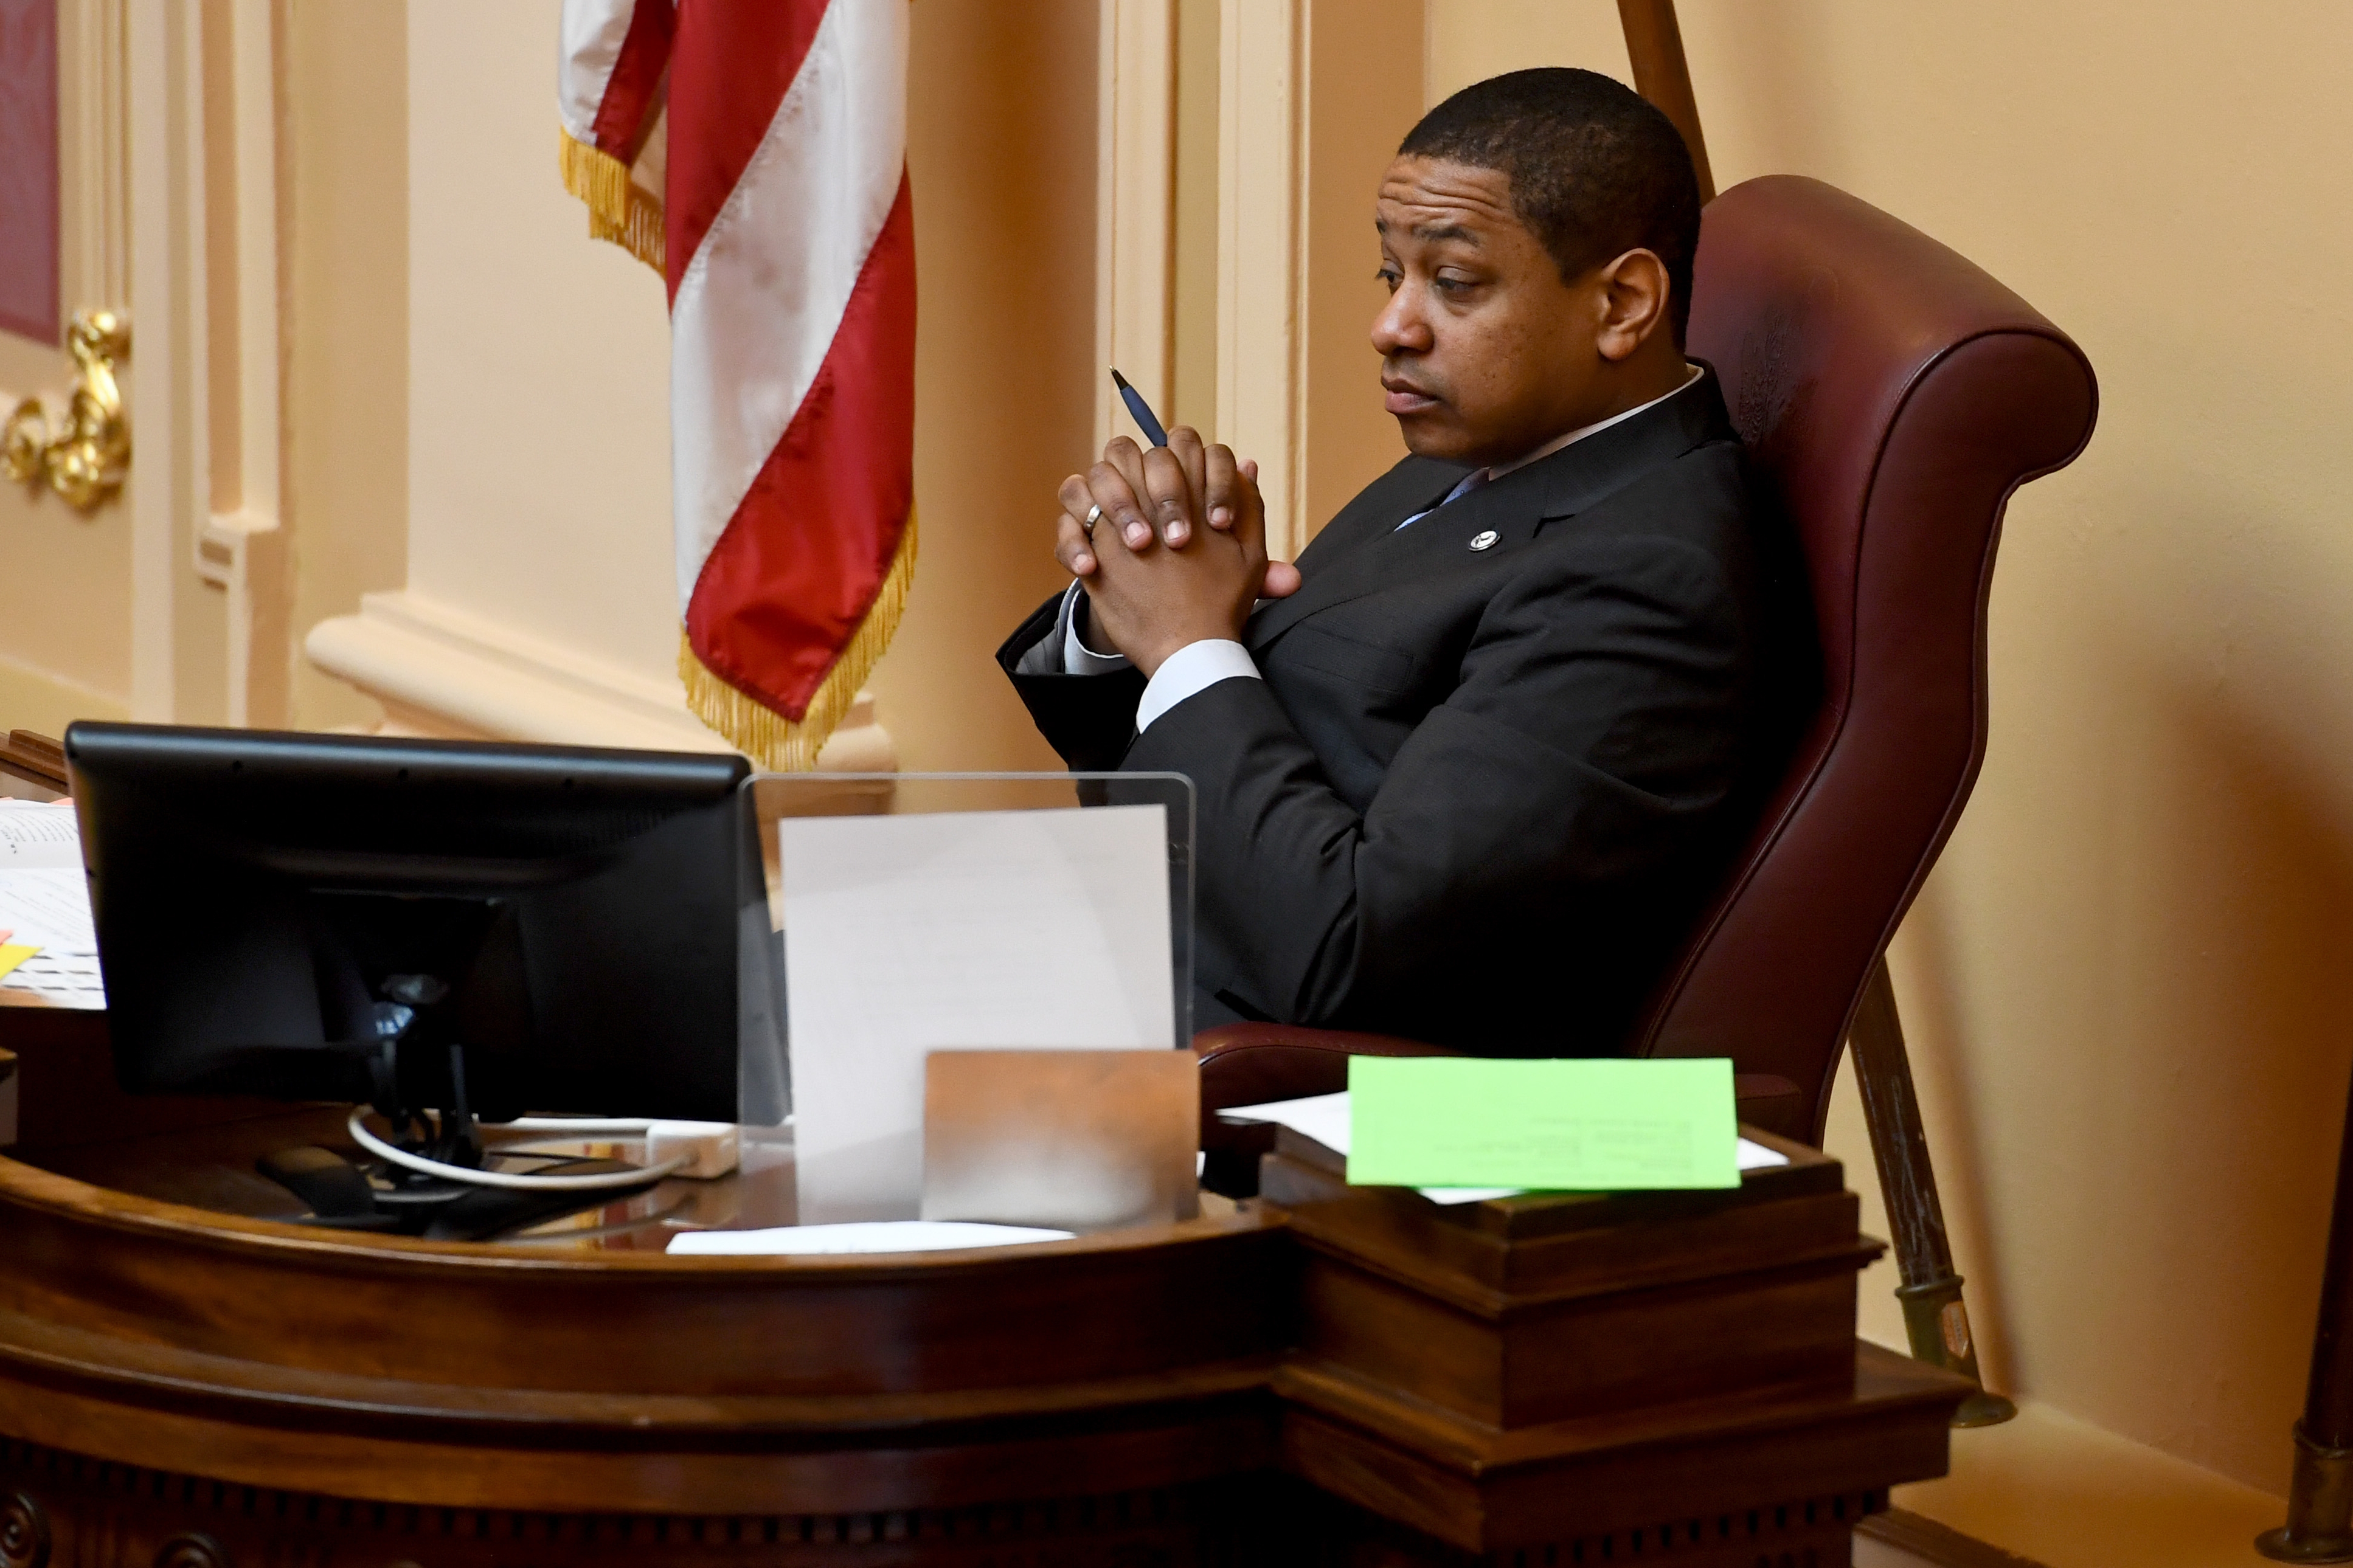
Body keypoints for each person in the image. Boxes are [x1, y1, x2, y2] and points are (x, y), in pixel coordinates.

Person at [996, 67, 1808, 1054]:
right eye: (1392, 276)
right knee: (762, 966)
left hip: (1259, 1104)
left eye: (1455, 283)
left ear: (1623, 304)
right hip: (1115, 954)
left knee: (767, 1033)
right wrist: (1138, 586)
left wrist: (1186, 647)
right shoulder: (1506, 445)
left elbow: (1350, 956)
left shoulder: (1645, 583)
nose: (1392, 327)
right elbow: (1253, 732)